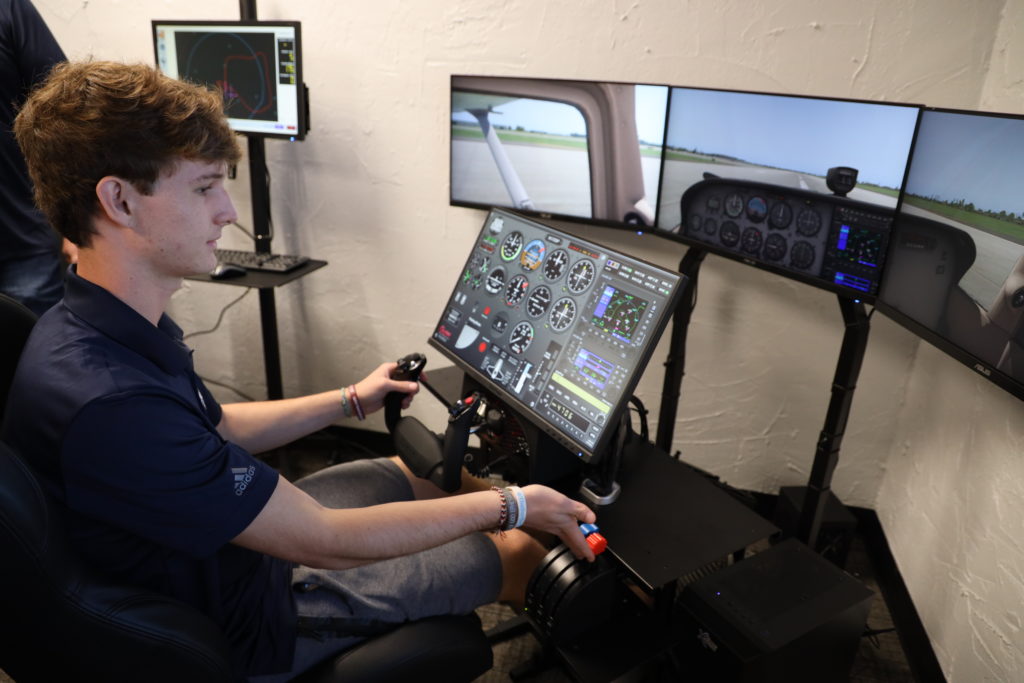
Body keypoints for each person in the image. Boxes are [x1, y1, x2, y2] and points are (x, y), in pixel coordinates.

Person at [2, 60, 596, 680]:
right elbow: (324, 540)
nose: (228, 212)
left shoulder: (95, 324)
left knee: (421, 475)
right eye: (205, 187)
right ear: (119, 200)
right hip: (252, 616)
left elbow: (216, 426)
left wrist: (350, 399)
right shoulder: (114, 403)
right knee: (523, 551)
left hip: (227, 548)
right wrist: (515, 509)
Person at [0, 0, 66, 315]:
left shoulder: (9, 10)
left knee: (29, 357)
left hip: (21, 241)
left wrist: (81, 226)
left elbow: (66, 109)